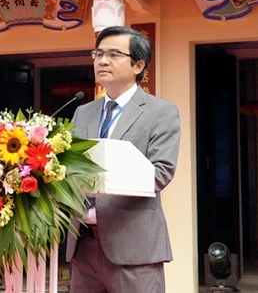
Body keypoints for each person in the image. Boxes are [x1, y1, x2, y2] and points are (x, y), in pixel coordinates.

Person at [65, 25, 181, 293]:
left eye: (114, 54)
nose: (102, 60)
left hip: (133, 248)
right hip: (83, 246)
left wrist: (97, 184)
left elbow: (160, 172)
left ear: (138, 65)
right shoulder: (83, 112)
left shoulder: (160, 112)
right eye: (98, 53)